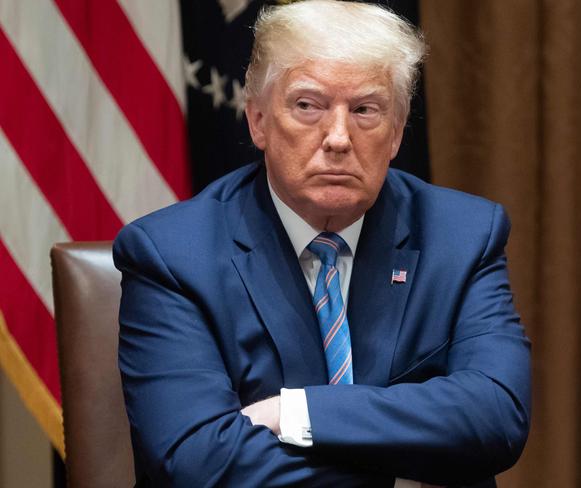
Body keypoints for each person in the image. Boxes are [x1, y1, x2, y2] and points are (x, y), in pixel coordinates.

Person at [113, 1, 531, 486]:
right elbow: (197, 462)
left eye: (365, 110)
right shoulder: (172, 254)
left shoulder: (462, 235)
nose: (337, 137)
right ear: (259, 121)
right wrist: (403, 468)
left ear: (396, 133)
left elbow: (498, 418)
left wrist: (296, 412)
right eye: (307, 105)